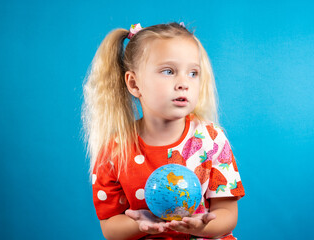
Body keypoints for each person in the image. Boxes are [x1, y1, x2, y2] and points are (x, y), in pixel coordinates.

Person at [82, 22, 245, 240]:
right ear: (134, 84)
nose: (183, 83)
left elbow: (227, 214)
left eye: (193, 73)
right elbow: (110, 227)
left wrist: (199, 227)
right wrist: (140, 224)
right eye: (169, 71)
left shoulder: (211, 140)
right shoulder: (114, 152)